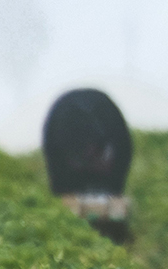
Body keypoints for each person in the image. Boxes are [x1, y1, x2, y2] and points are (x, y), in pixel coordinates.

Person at [42, 88, 133, 243]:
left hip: (106, 145)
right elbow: (60, 187)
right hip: (66, 152)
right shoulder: (57, 139)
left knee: (112, 208)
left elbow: (118, 179)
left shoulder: (117, 138)